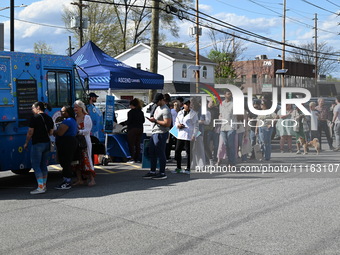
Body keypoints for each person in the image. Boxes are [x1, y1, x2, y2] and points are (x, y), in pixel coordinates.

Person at [23, 102, 54, 195]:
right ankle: (43, 185)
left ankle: (40, 187)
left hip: (37, 144)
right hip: (47, 143)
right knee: (43, 165)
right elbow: (51, 132)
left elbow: (30, 132)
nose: (32, 110)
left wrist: (26, 143)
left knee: (36, 166)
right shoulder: (49, 118)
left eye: (33, 108)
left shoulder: (34, 118)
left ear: (38, 108)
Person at [143, 93, 171, 180]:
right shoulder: (157, 107)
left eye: (157, 101)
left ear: (161, 100)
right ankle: (153, 171)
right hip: (155, 132)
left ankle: (162, 172)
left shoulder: (166, 110)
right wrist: (153, 120)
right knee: (152, 152)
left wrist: (155, 121)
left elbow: (167, 123)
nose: (156, 103)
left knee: (160, 152)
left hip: (161, 133)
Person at [53, 105, 78, 190]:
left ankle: (67, 182)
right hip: (70, 141)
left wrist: (53, 131)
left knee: (65, 162)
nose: (61, 113)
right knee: (66, 162)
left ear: (67, 113)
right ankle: (66, 180)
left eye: (62, 111)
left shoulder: (67, 121)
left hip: (66, 142)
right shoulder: (72, 120)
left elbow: (60, 133)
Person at [73, 100, 96, 186]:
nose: (75, 109)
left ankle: (92, 179)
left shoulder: (86, 117)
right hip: (76, 141)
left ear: (81, 107)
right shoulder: (75, 117)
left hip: (84, 141)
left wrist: (78, 132)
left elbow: (87, 131)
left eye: (76, 107)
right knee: (77, 160)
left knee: (87, 159)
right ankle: (79, 179)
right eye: (74, 107)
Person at [173, 99, 198, 174]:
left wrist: (194, 135)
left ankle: (188, 168)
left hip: (189, 134)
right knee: (177, 150)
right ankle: (178, 167)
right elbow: (176, 121)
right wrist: (178, 125)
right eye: (185, 104)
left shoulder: (193, 114)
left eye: (188, 104)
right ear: (183, 105)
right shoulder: (180, 113)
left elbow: (196, 125)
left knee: (189, 152)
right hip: (180, 134)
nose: (187, 105)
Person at [121, 98, 145, 162]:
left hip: (132, 129)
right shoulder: (141, 112)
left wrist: (123, 123)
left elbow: (129, 121)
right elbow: (143, 121)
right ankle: (137, 158)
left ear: (132, 105)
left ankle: (132, 157)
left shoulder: (130, 112)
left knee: (131, 144)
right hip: (140, 129)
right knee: (137, 144)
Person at [219, 89, 237, 166]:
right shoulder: (221, 104)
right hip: (223, 127)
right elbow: (220, 114)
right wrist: (220, 118)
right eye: (228, 94)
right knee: (225, 144)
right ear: (225, 95)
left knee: (230, 144)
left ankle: (231, 162)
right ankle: (228, 159)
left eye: (231, 94)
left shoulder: (234, 104)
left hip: (231, 126)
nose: (230, 95)